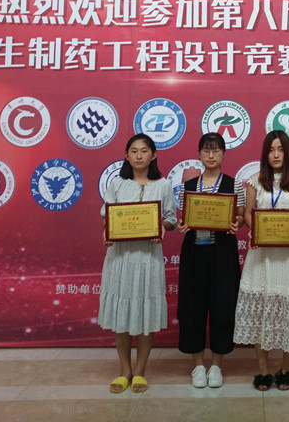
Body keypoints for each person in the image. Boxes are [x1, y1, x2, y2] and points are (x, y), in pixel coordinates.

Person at [234, 130, 289, 391]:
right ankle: (263, 371)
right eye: (271, 150)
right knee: (261, 311)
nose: (275, 154)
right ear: (265, 153)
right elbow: (248, 214)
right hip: (262, 256)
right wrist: (259, 230)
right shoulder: (254, 181)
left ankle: (285, 370)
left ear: (288, 153)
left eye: (280, 149)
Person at [98, 133, 177, 394]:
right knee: (121, 314)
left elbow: (171, 218)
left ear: (154, 155)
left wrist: (162, 226)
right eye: (134, 151)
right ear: (126, 155)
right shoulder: (118, 184)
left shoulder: (163, 185)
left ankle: (140, 371)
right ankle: (125, 371)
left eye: (144, 151)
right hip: (120, 258)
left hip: (148, 258)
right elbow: (106, 217)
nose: (139, 155)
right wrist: (107, 230)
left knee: (145, 314)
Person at [176, 132, 245, 388]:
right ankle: (197, 365)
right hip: (194, 253)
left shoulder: (234, 184)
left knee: (222, 307)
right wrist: (183, 225)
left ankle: (216, 364)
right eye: (206, 150)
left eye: (216, 150)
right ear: (199, 154)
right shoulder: (188, 186)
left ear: (224, 154)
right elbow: (184, 217)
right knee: (192, 307)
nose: (211, 155)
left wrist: (236, 223)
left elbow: (240, 215)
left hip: (222, 254)